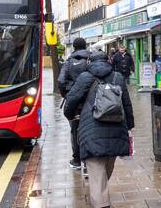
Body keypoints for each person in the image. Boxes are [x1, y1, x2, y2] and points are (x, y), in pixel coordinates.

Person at [64, 50, 134, 208]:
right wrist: (129, 126)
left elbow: (71, 100)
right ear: (108, 60)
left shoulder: (85, 77)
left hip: (91, 130)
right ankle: (101, 196)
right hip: (117, 128)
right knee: (105, 170)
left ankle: (101, 203)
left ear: (89, 61)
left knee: (96, 174)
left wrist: (70, 115)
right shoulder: (117, 77)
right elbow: (127, 103)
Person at [57, 37, 90, 170]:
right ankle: (89, 162)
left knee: (75, 129)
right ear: (85, 46)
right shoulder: (90, 60)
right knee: (90, 129)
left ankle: (76, 160)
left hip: (74, 103)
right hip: (89, 99)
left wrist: (67, 95)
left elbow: (61, 81)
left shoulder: (69, 62)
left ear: (74, 48)